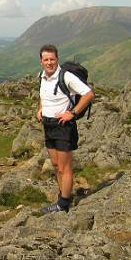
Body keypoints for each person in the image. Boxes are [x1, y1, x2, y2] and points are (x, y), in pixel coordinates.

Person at [37, 44, 95, 214]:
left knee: (65, 167)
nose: (49, 62)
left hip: (63, 127)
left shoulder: (66, 76)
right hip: (48, 126)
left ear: (57, 59)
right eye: (46, 59)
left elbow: (88, 94)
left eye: (52, 59)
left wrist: (73, 113)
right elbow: (43, 95)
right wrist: (40, 109)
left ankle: (63, 205)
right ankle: (62, 196)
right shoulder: (42, 76)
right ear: (41, 61)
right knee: (55, 165)